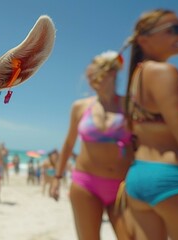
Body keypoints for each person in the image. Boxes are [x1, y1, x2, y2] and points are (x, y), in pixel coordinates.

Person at [123, 9, 178, 239]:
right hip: (174, 178)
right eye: (174, 30)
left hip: (139, 177)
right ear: (144, 39)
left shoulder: (136, 76)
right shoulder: (164, 72)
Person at [49, 51, 133, 239]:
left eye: (95, 76)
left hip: (123, 186)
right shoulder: (80, 106)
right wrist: (57, 177)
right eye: (88, 78)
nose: (91, 81)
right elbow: (69, 143)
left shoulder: (128, 105)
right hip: (86, 185)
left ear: (112, 74)